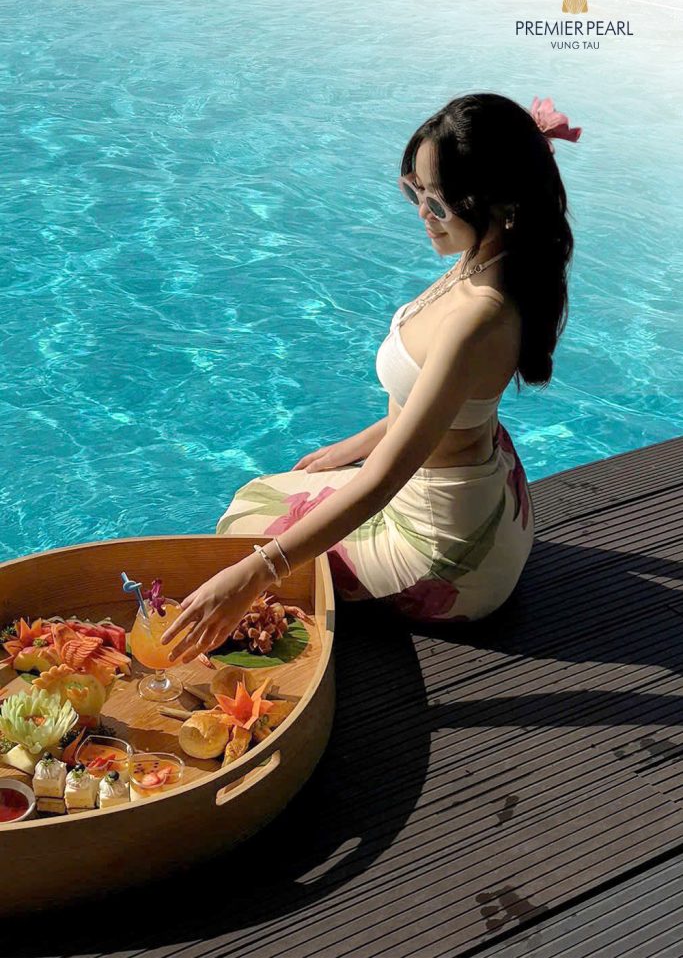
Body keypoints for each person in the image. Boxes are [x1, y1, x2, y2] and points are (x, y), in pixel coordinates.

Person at [161, 92, 580, 663]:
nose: (422, 214)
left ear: (500, 204)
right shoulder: (488, 258)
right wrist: (353, 446)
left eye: (438, 204)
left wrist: (253, 574)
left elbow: (383, 481)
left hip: (447, 557)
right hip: (478, 498)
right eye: (415, 191)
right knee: (257, 498)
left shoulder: (479, 317)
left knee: (241, 533)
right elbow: (443, 406)